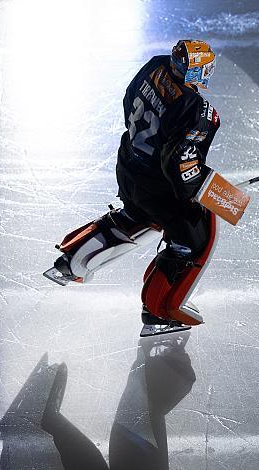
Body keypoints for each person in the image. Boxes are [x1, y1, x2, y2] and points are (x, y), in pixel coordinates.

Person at [44, 40, 220, 337]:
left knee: (134, 216)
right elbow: (179, 163)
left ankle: (72, 261)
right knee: (192, 240)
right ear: (194, 73)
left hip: (128, 167)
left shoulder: (157, 65)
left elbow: (129, 100)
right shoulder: (197, 110)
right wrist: (196, 190)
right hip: (157, 186)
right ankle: (158, 313)